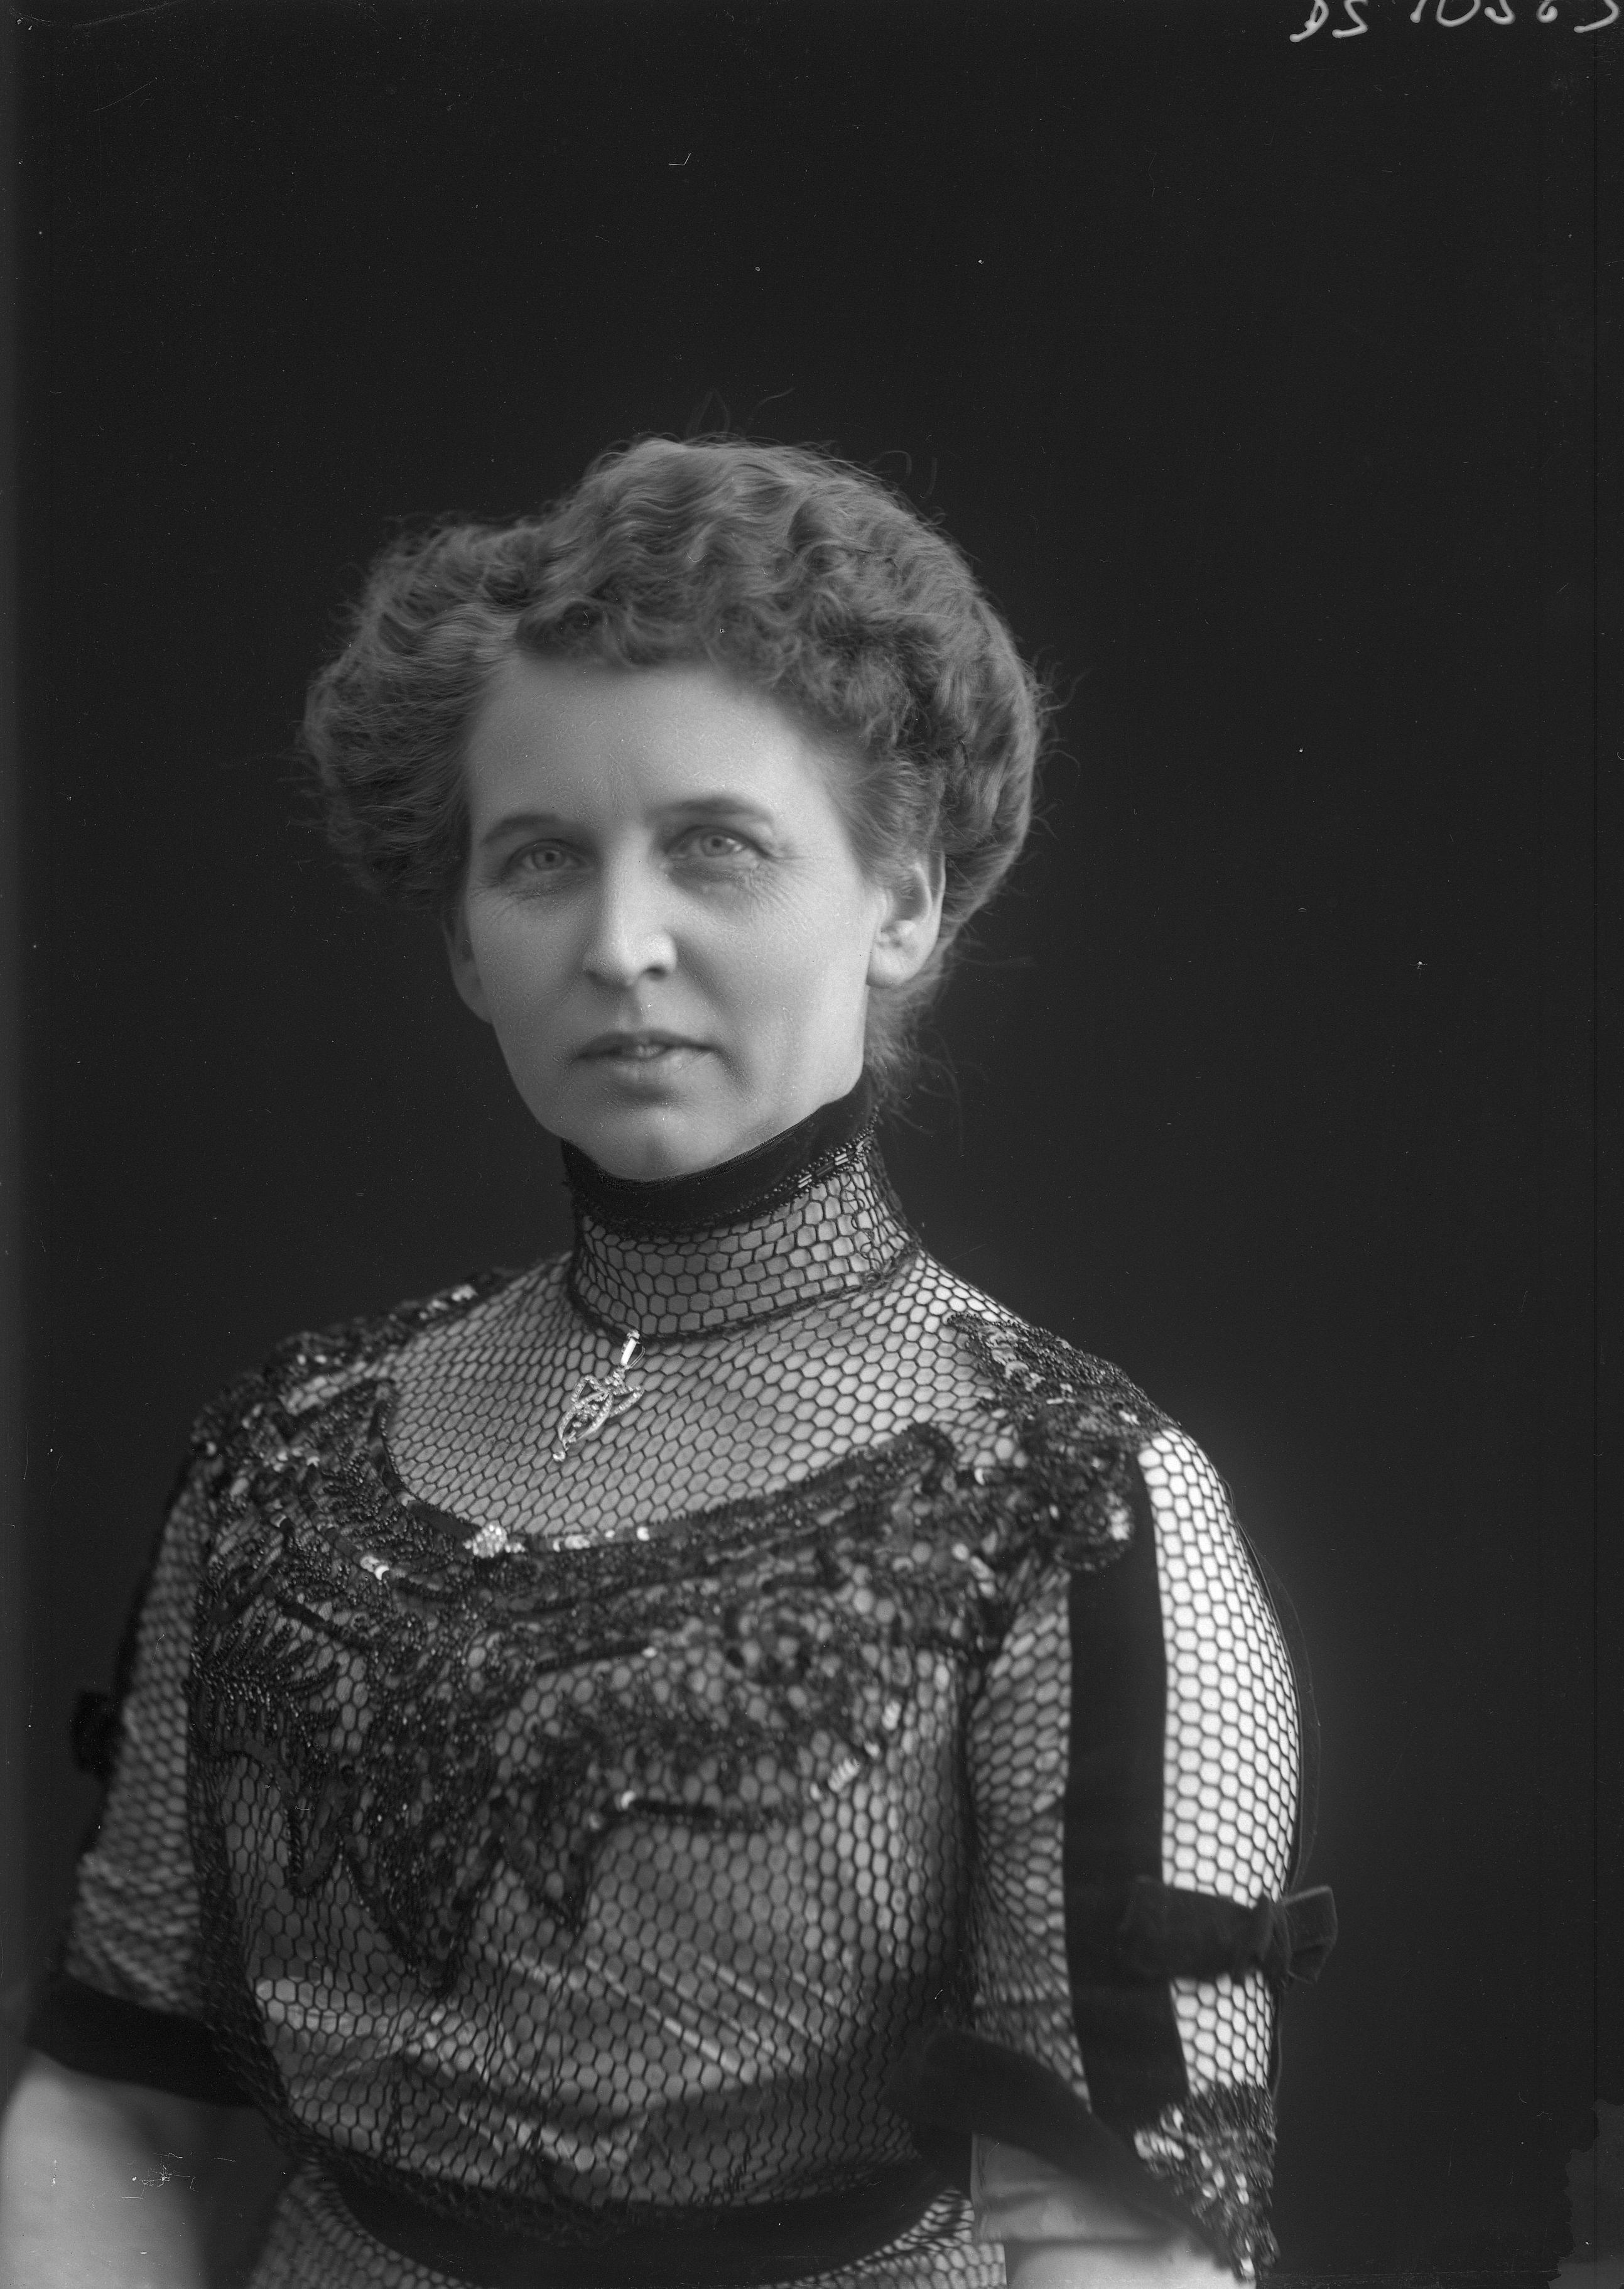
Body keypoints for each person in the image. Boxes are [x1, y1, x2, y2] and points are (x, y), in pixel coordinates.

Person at [0, 437, 1335, 2289]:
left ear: (900, 901)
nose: (620, 945)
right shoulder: (284, 1451)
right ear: (467, 943)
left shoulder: (1067, 1495)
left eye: (716, 845)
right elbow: (117, 2109)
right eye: (542, 859)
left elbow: (1132, 2247)